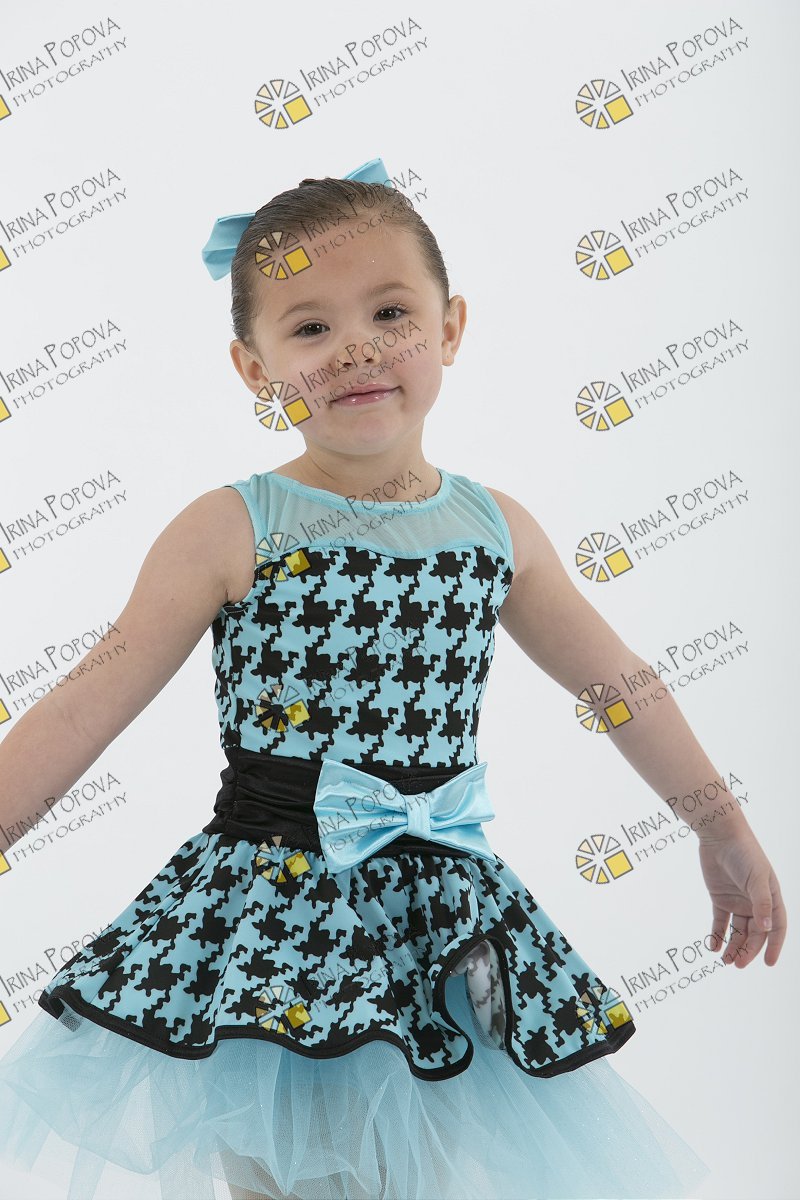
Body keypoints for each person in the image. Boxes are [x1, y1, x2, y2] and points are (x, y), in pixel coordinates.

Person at [0, 156, 785, 1200]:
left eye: (389, 312)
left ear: (449, 329)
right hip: (272, 914)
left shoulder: (496, 529)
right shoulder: (231, 527)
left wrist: (719, 826)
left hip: (442, 924)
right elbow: (84, 705)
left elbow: (620, 685)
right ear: (254, 368)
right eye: (310, 327)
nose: (357, 348)